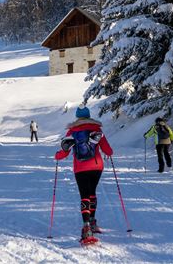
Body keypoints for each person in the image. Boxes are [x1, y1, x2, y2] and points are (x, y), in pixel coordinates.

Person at [54, 104, 113, 243]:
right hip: (96, 166)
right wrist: (108, 153)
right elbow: (108, 150)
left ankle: (86, 226)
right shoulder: (96, 129)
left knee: (84, 195)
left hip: (80, 168)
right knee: (92, 192)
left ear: (77, 117)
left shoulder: (72, 132)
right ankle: (93, 221)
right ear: (88, 115)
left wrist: (58, 156)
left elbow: (65, 151)